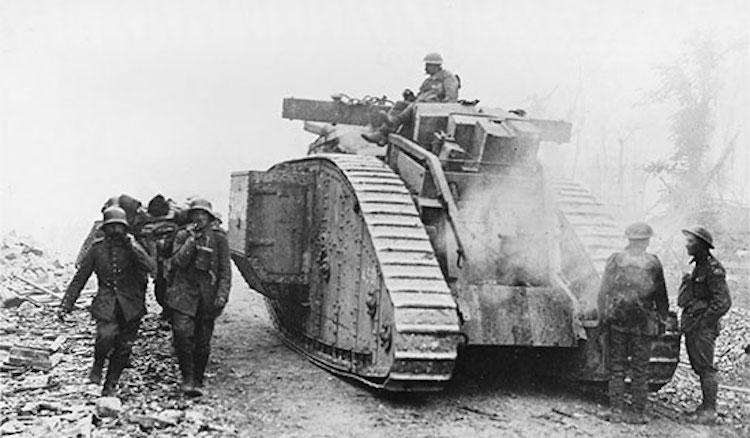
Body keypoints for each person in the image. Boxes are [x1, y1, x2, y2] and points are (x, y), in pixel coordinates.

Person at [58, 206, 156, 396]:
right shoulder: (97, 249)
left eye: (119, 227)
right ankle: (98, 364)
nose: (115, 231)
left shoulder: (134, 249)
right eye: (111, 227)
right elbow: (80, 278)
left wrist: (134, 246)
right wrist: (66, 304)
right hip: (106, 304)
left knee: (124, 347)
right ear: (105, 228)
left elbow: (151, 267)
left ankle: (110, 383)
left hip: (131, 305)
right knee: (105, 336)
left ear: (125, 228)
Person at [597, 222, 669, 424]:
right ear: (646, 241)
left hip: (618, 321)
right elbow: (661, 295)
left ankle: (616, 412)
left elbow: (604, 291)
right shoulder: (653, 263)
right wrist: (662, 319)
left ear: (628, 239)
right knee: (640, 370)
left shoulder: (616, 260)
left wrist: (603, 317)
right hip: (643, 324)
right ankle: (638, 413)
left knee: (617, 368)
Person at [166, 197, 231, 396]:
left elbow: (224, 270)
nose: (199, 218)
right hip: (183, 294)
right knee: (182, 335)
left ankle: (198, 380)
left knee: (202, 342)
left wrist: (222, 295)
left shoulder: (219, 237)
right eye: (196, 215)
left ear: (209, 217)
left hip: (207, 295)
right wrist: (191, 242)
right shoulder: (182, 235)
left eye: (203, 215)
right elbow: (177, 261)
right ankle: (187, 378)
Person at [678, 226, 731, 424]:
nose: (687, 244)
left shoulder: (712, 269)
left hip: (702, 327)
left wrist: (704, 323)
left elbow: (723, 302)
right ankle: (705, 407)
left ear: (701, 245)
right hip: (694, 324)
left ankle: (709, 411)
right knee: (699, 366)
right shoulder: (699, 266)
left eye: (691, 242)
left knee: (706, 368)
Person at [362, 52, 460, 145]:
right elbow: (422, 95)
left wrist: (438, 105)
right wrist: (411, 97)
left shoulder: (448, 78)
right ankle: (384, 133)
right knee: (400, 104)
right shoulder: (429, 80)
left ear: (436, 66)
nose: (426, 68)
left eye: (428, 65)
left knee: (413, 107)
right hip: (421, 105)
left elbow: (451, 98)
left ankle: (390, 125)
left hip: (433, 109)